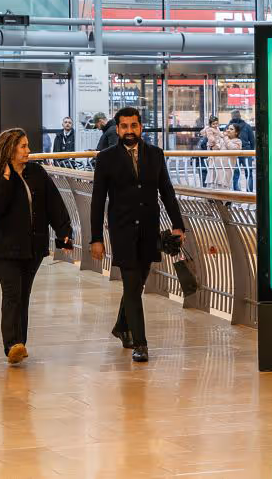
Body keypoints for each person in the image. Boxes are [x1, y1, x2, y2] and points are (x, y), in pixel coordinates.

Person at [90, 107, 185, 363]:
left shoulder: (155, 154)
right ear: (117, 129)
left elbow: (167, 192)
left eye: (134, 126)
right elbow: (98, 200)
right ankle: (140, 343)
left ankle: (121, 326)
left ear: (141, 127)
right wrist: (95, 238)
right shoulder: (106, 158)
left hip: (148, 230)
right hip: (122, 232)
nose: (129, 131)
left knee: (137, 285)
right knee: (132, 286)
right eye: (124, 127)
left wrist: (178, 225)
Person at [0, 128, 73, 365]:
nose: (28, 151)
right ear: (9, 149)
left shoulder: (36, 173)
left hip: (32, 246)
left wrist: (64, 233)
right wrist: (8, 176)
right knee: (12, 293)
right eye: (23, 146)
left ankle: (20, 342)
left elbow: (54, 204)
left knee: (23, 294)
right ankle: (12, 344)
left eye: (28, 146)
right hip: (4, 247)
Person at [228, 110, 255, 192]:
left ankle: (237, 192)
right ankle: (249, 191)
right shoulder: (247, 126)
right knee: (249, 173)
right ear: (240, 116)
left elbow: (226, 138)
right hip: (246, 152)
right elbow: (252, 140)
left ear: (232, 116)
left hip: (234, 152)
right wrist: (252, 151)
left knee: (236, 173)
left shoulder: (229, 127)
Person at [199, 116, 225, 188]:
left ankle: (216, 181)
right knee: (212, 165)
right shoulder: (209, 130)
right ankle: (211, 183)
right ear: (210, 124)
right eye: (214, 124)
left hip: (217, 147)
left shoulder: (217, 129)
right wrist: (216, 142)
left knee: (216, 165)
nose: (215, 125)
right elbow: (211, 138)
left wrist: (224, 136)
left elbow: (220, 135)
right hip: (212, 147)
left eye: (217, 123)